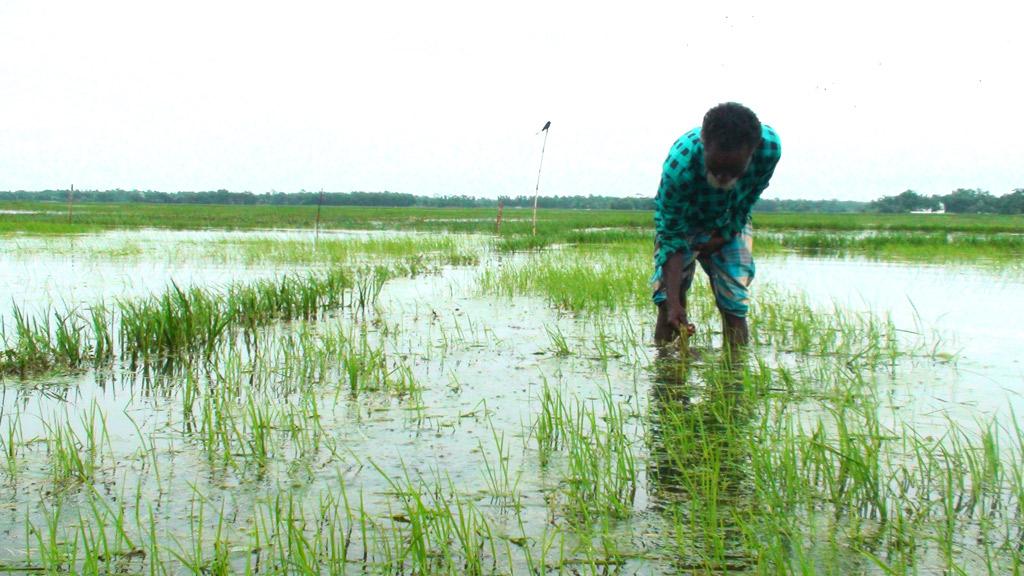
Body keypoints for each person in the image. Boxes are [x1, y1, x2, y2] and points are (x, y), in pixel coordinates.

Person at [651, 102, 781, 348]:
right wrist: (674, 306)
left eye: (733, 170)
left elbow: (750, 196)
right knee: (668, 301)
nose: (723, 177)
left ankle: (733, 376)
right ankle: (665, 372)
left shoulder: (770, 149)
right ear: (703, 143)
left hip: (730, 217)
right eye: (717, 167)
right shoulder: (680, 164)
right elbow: (671, 236)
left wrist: (725, 234)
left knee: (734, 301)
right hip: (684, 221)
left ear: (753, 152)